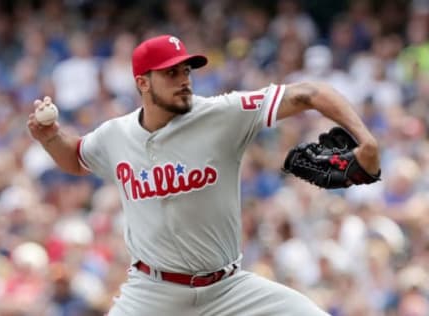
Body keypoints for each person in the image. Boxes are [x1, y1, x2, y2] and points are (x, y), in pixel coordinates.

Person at [27, 34, 380, 316]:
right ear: (143, 83)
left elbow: (310, 92)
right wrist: (51, 138)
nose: (183, 80)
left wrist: (365, 139)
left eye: (186, 71)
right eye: (171, 73)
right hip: (153, 293)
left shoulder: (221, 114)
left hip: (229, 290)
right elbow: (75, 158)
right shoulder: (115, 135)